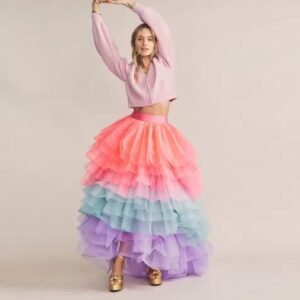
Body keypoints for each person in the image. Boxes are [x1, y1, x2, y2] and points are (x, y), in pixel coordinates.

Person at [77, 0, 213, 292]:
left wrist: (131, 4)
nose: (146, 42)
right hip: (135, 135)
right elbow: (106, 49)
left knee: (159, 203)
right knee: (129, 204)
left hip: (162, 137)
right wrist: (96, 13)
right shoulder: (128, 70)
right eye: (140, 39)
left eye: (150, 38)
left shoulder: (166, 63)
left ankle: (154, 261)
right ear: (135, 45)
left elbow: (160, 25)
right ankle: (117, 266)